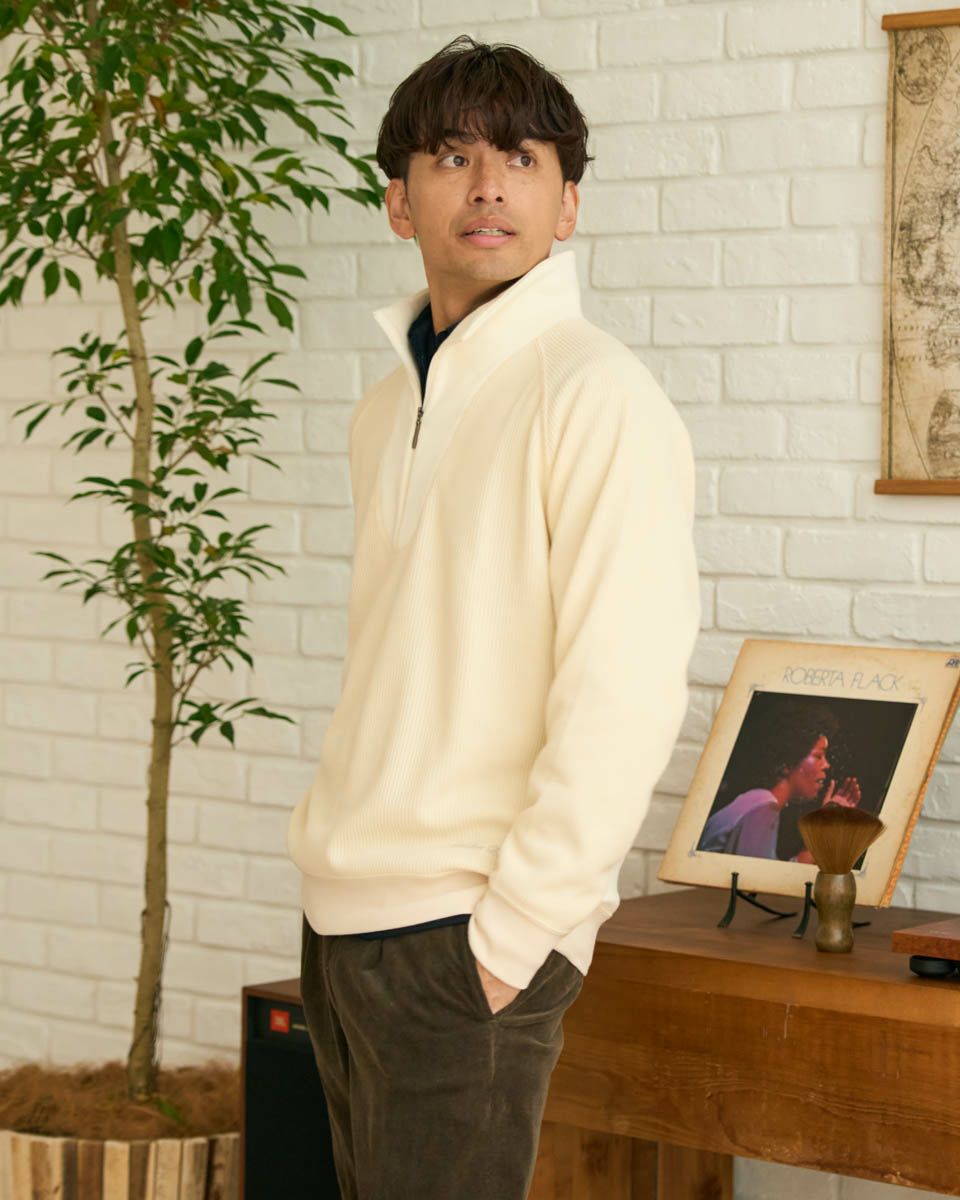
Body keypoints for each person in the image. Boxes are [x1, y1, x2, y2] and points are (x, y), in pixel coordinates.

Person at [286, 33, 700, 1200]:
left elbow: (624, 690)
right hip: (346, 919)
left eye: (521, 158)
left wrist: (515, 936)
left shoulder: (599, 397)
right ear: (397, 202)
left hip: (468, 933)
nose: (486, 186)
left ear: (567, 205)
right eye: (452, 156)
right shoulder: (386, 409)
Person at [697, 706, 862, 861]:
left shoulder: (756, 801)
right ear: (787, 762)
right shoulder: (762, 809)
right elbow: (754, 878)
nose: (827, 765)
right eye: (818, 756)